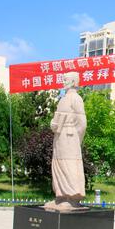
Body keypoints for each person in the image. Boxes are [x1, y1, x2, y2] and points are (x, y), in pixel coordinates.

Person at [44, 72, 87, 211]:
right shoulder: (63, 99)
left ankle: (72, 198)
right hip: (59, 136)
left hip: (70, 137)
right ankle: (61, 196)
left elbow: (82, 123)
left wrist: (76, 140)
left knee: (69, 165)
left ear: (74, 81)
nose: (63, 81)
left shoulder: (76, 98)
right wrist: (53, 124)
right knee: (58, 164)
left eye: (66, 79)